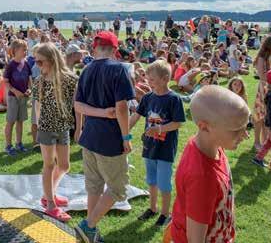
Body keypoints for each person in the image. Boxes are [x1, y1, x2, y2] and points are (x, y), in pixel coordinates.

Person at [164, 86, 249, 243]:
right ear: (205, 127)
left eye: (246, 126)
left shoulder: (210, 145)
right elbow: (195, 239)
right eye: (237, 129)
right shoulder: (202, 177)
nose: (245, 134)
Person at [74, 31, 135, 243]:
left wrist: (100, 113)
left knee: (94, 185)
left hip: (89, 138)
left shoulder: (86, 70)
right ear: (115, 50)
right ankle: (88, 226)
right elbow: (121, 108)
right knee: (118, 189)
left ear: (95, 48)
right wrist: (126, 137)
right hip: (109, 140)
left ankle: (89, 233)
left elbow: (78, 106)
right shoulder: (120, 69)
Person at [129, 60, 185, 228]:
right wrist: (123, 132)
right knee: (151, 180)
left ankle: (165, 213)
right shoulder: (147, 97)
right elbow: (136, 116)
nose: (148, 82)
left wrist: (160, 129)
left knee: (164, 182)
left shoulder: (174, 99)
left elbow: (178, 123)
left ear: (165, 78)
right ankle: (152, 208)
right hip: (149, 146)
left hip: (165, 148)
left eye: (152, 79)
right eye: (148, 78)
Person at [32, 43, 78, 222]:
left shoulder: (69, 79)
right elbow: (37, 105)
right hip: (46, 128)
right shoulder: (39, 81)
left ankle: (48, 193)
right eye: (36, 62)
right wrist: (40, 126)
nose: (37, 65)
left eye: (40, 61)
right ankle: (50, 203)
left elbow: (77, 102)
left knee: (65, 165)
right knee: (49, 165)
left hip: (63, 127)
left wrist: (79, 126)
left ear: (51, 60)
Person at [252, 35, 271, 150]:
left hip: (270, 88)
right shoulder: (262, 58)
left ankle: (265, 141)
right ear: (270, 46)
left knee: (267, 116)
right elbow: (262, 76)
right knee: (259, 116)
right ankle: (256, 142)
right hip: (264, 88)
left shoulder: (270, 57)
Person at [3, 40, 32, 155]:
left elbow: (30, 81)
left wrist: (29, 89)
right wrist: (15, 91)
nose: (25, 52)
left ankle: (19, 143)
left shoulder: (26, 64)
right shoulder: (10, 65)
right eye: (23, 50)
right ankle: (8, 146)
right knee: (11, 122)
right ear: (15, 51)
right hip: (13, 98)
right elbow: (5, 82)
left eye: (26, 49)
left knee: (20, 121)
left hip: (23, 98)